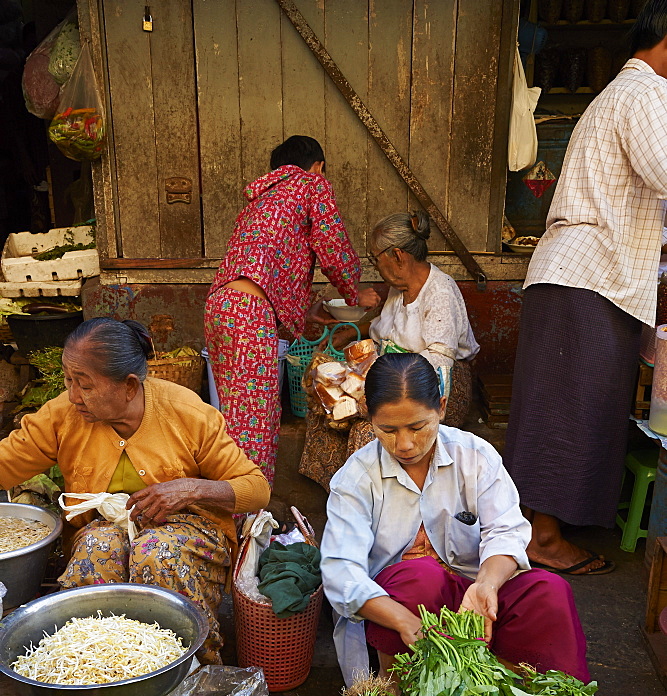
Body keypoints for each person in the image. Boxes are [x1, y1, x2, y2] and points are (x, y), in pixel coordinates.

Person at [504, 0, 667, 576]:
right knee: (569, 408)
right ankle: (541, 539)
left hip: (579, 275)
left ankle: (532, 530)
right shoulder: (645, 94)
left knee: (560, 405)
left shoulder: (624, 94)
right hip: (589, 276)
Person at [0, 318, 271, 663]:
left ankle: (188, 665)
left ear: (129, 386)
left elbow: (257, 489)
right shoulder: (63, 415)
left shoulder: (186, 413)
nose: (72, 396)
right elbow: (6, 462)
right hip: (105, 529)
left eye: (84, 385)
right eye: (69, 380)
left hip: (189, 532)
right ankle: (97, 667)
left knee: (156, 552)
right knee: (97, 550)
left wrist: (188, 489)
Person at [320, 353, 588, 687]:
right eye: (388, 430)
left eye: (418, 427)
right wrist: (402, 620)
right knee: (418, 576)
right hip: (399, 612)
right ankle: (397, 695)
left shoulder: (475, 456)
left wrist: (486, 585)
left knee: (550, 590)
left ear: (442, 407)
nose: (404, 444)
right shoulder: (357, 478)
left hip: (472, 600)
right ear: (370, 419)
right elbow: (339, 571)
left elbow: (505, 531)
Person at [204, 134, 379, 486]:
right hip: (249, 315)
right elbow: (332, 244)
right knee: (255, 426)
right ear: (319, 166)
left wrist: (302, 313)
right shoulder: (312, 182)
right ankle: (248, 518)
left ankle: (236, 509)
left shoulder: (263, 199)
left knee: (234, 420)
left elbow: (269, 267)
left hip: (222, 307)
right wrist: (354, 291)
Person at [299, 210, 479, 490]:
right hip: (392, 375)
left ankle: (374, 507)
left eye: (375, 258)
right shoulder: (399, 288)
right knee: (327, 406)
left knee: (367, 430)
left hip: (435, 386)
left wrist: (384, 384)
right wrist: (351, 332)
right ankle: (338, 495)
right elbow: (383, 326)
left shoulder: (440, 292)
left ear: (397, 255)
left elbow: (440, 361)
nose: (375, 264)